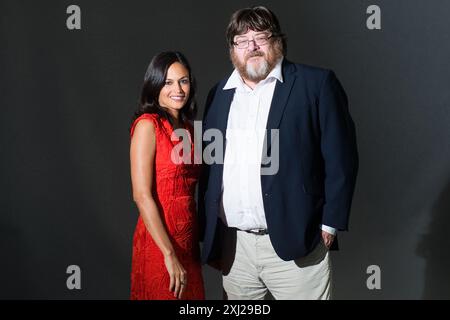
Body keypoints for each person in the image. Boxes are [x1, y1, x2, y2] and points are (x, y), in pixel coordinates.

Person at [199, 6, 358, 299]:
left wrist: (331, 223)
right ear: (233, 49)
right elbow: (212, 166)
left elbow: (341, 158)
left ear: (277, 40)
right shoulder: (219, 93)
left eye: (260, 36)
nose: (252, 47)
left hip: (297, 239)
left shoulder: (316, 84)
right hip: (236, 248)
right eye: (242, 40)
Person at [129, 51, 205, 300]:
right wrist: (168, 253)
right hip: (160, 241)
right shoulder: (147, 125)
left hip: (189, 242)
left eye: (183, 81)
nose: (179, 89)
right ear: (154, 85)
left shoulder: (190, 130)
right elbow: (141, 195)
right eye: (168, 82)